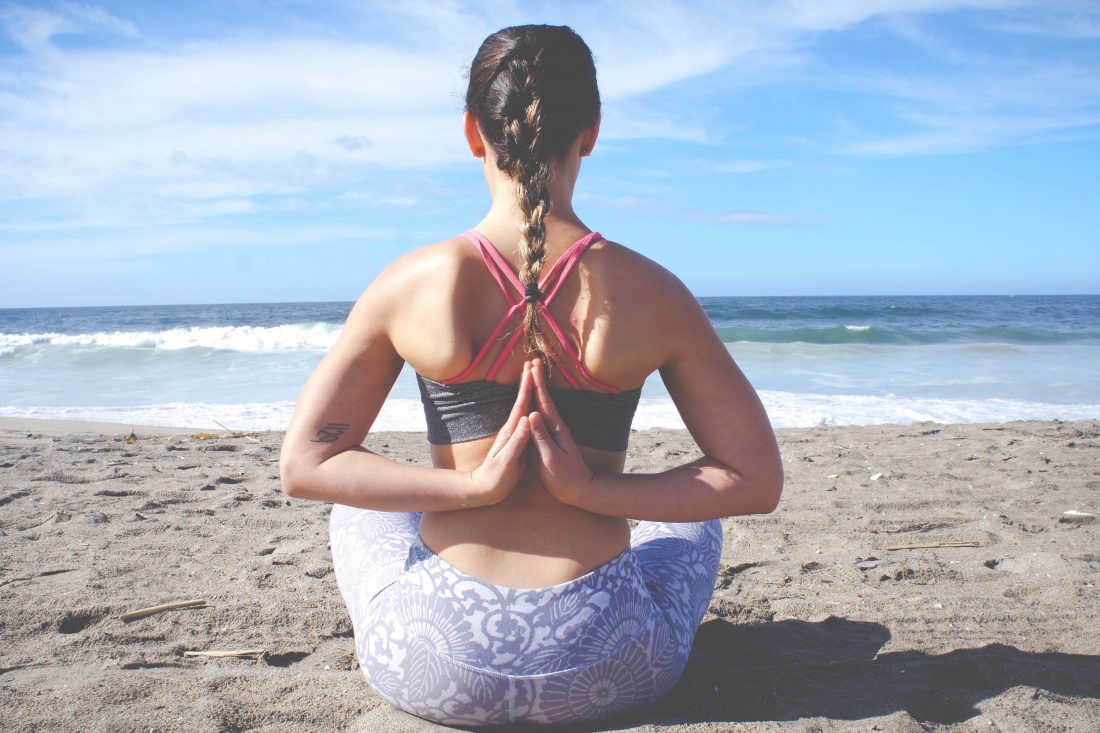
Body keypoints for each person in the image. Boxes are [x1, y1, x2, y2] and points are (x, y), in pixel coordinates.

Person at [279, 24, 782, 727]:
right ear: (592, 132)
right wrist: (595, 491)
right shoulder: (650, 291)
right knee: (695, 531)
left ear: (471, 132)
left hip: (435, 660)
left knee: (358, 506)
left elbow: (306, 464)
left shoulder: (412, 282)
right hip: (608, 663)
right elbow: (755, 479)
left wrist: (466, 488)